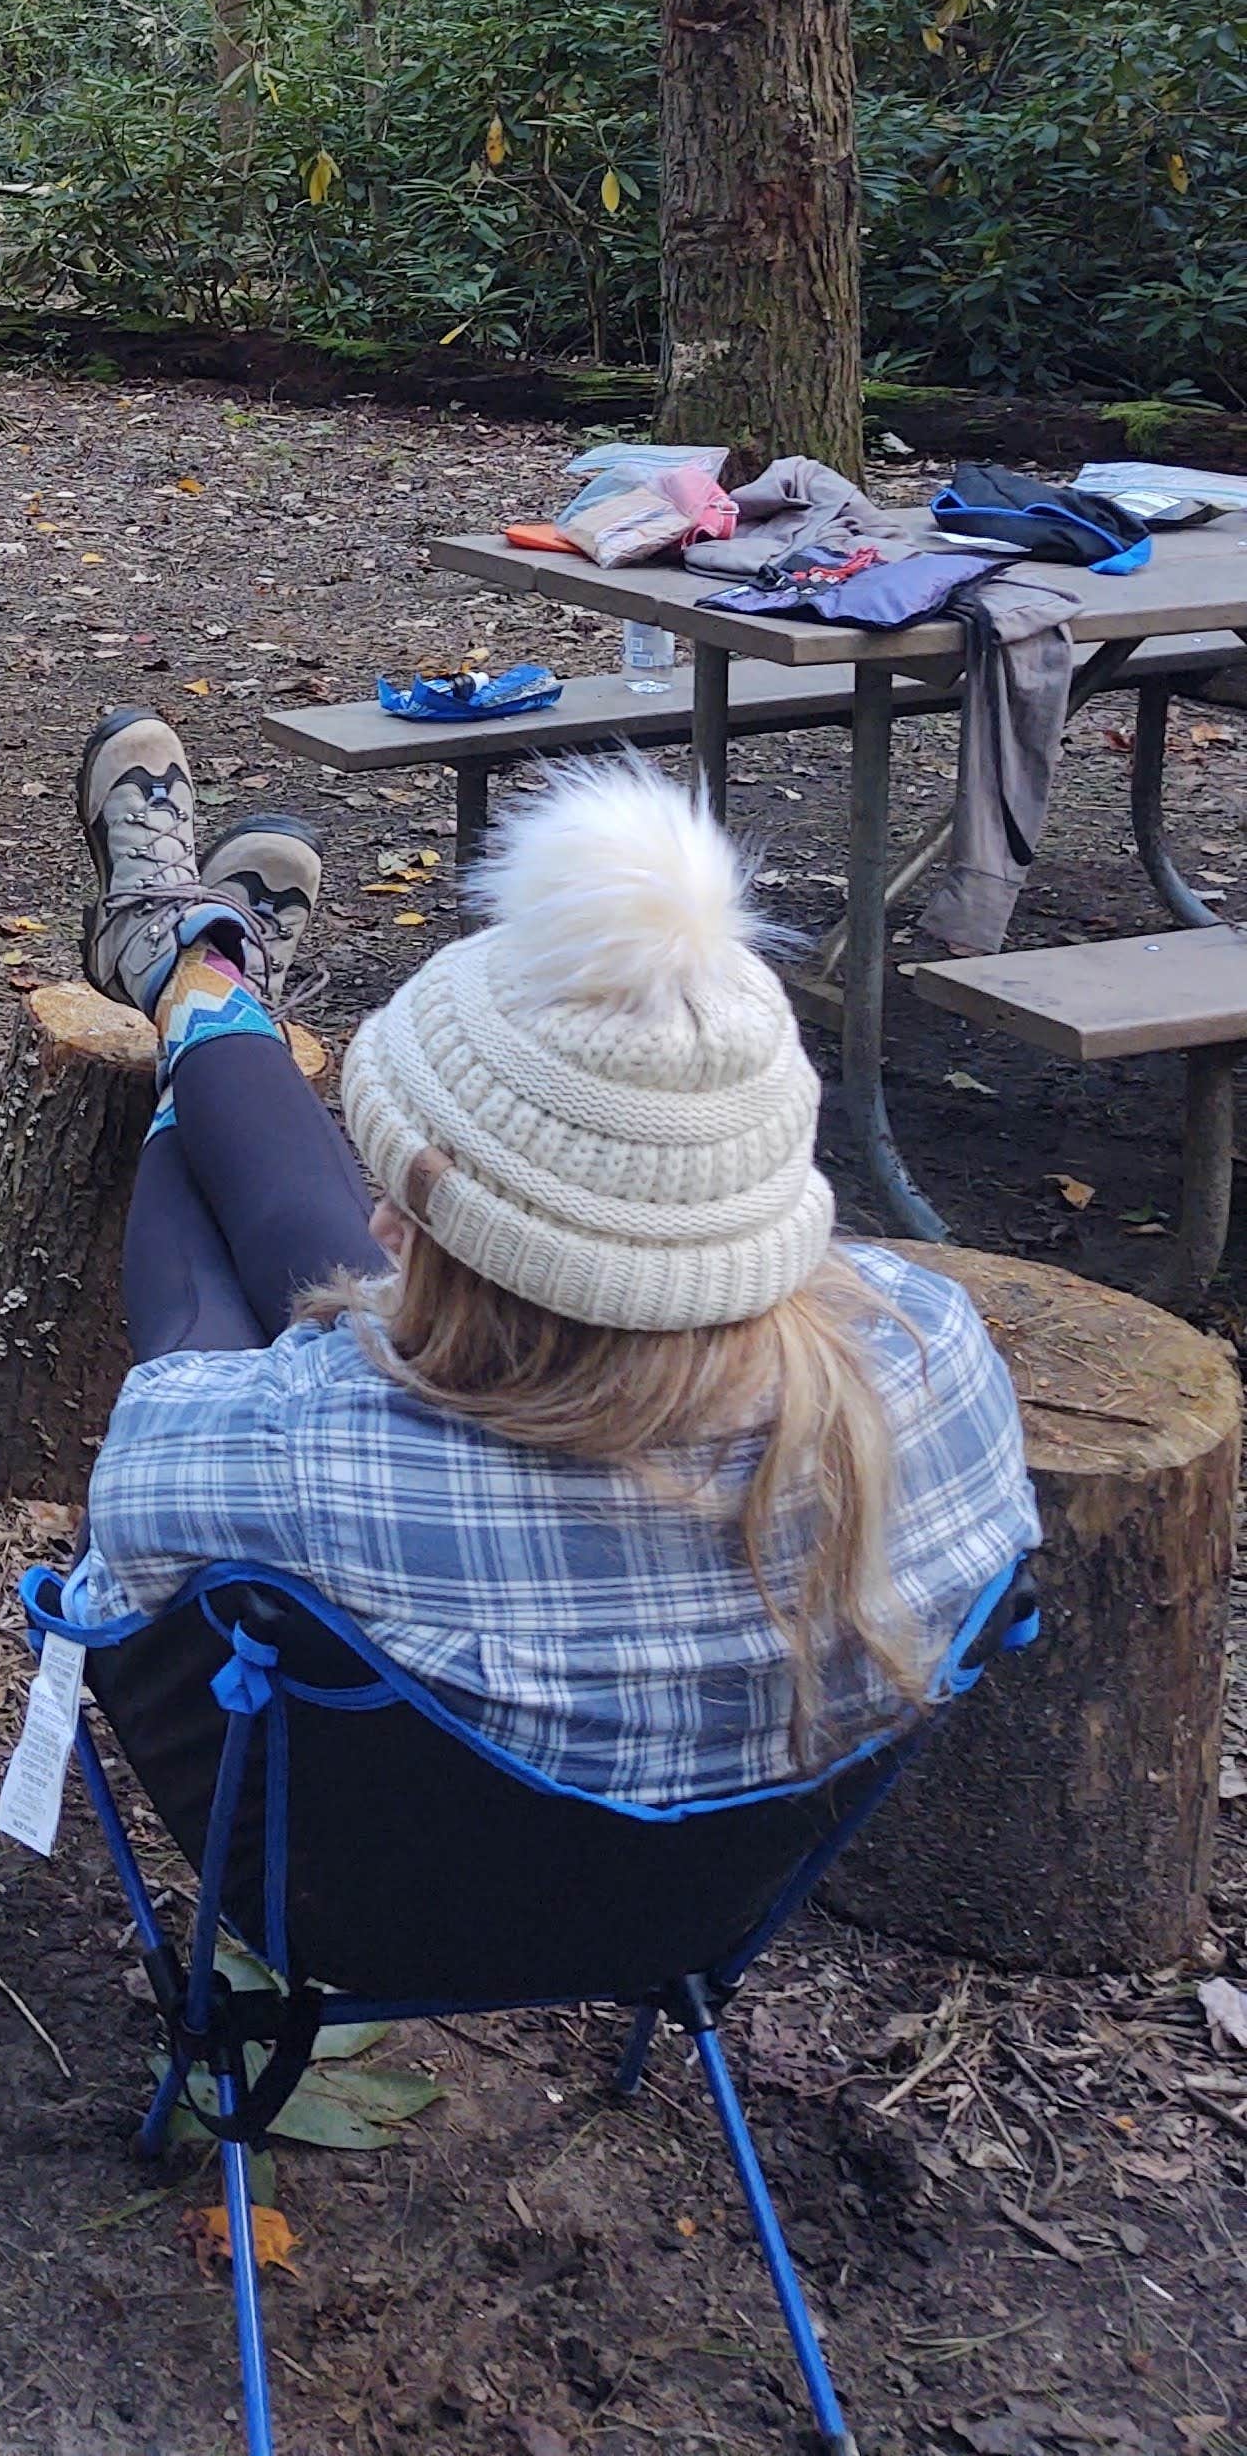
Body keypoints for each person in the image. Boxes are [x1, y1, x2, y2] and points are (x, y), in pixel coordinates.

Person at [58, 709, 1038, 1805]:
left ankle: (193, 972)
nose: (381, 1227)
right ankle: (196, 969)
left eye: (419, 1206)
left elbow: (114, 1578)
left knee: (226, 1336)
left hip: (331, 1850)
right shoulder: (938, 1364)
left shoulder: (301, 1461)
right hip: (715, 1879)